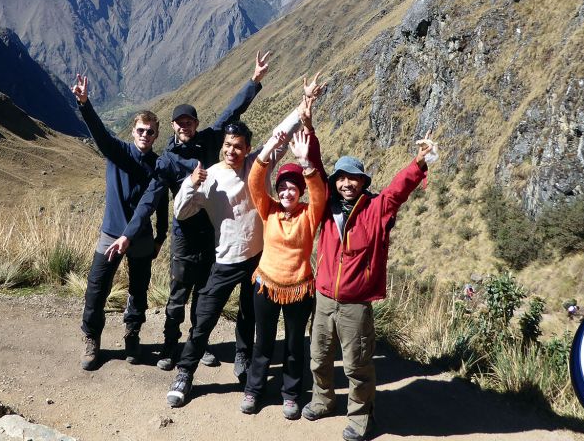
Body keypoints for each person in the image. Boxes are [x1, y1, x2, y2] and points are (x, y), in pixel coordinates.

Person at [107, 51, 272, 371]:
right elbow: (150, 200)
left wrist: (254, 81)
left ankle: (201, 343)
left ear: (195, 125)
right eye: (180, 123)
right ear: (174, 127)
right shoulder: (167, 160)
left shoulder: (210, 141)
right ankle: (171, 346)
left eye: (190, 122)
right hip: (184, 236)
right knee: (179, 292)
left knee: (204, 293)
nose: (186, 127)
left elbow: (231, 111)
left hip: (212, 231)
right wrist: (128, 235)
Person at [167, 77, 325, 409]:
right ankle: (185, 372)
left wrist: (303, 103)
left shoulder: (257, 164)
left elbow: (279, 138)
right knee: (205, 318)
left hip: (259, 260)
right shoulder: (209, 176)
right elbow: (181, 212)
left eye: (238, 146)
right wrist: (191, 185)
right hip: (225, 261)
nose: (232, 151)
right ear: (222, 146)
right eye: (227, 145)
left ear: (246, 147)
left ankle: (244, 357)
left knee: (250, 318)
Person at [302, 134, 436, 441]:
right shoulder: (326, 206)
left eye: (354, 179)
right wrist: (308, 128)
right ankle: (323, 399)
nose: (348, 184)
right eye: (343, 178)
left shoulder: (376, 208)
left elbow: (398, 191)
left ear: (363, 182)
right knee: (319, 357)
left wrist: (419, 162)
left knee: (357, 364)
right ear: (335, 182)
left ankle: (362, 418)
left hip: (355, 303)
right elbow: (317, 168)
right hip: (323, 298)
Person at [71, 73, 163, 371]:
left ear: (155, 135)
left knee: (139, 288)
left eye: (150, 132)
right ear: (132, 130)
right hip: (112, 233)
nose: (144, 136)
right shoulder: (117, 152)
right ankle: (91, 339)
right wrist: (85, 103)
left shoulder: (158, 165)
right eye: (140, 130)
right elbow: (98, 132)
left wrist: (160, 237)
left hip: (140, 237)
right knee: (97, 288)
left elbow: (161, 203)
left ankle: (132, 333)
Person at [241, 118, 327, 420]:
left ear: (300, 191)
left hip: (299, 287)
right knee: (262, 342)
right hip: (266, 285)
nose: (288, 191)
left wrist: (306, 163)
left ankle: (291, 395)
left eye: (293, 187)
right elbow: (254, 182)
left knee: (293, 344)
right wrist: (269, 151)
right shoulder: (269, 209)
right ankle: (254, 389)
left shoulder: (310, 214)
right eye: (283, 187)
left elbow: (320, 193)